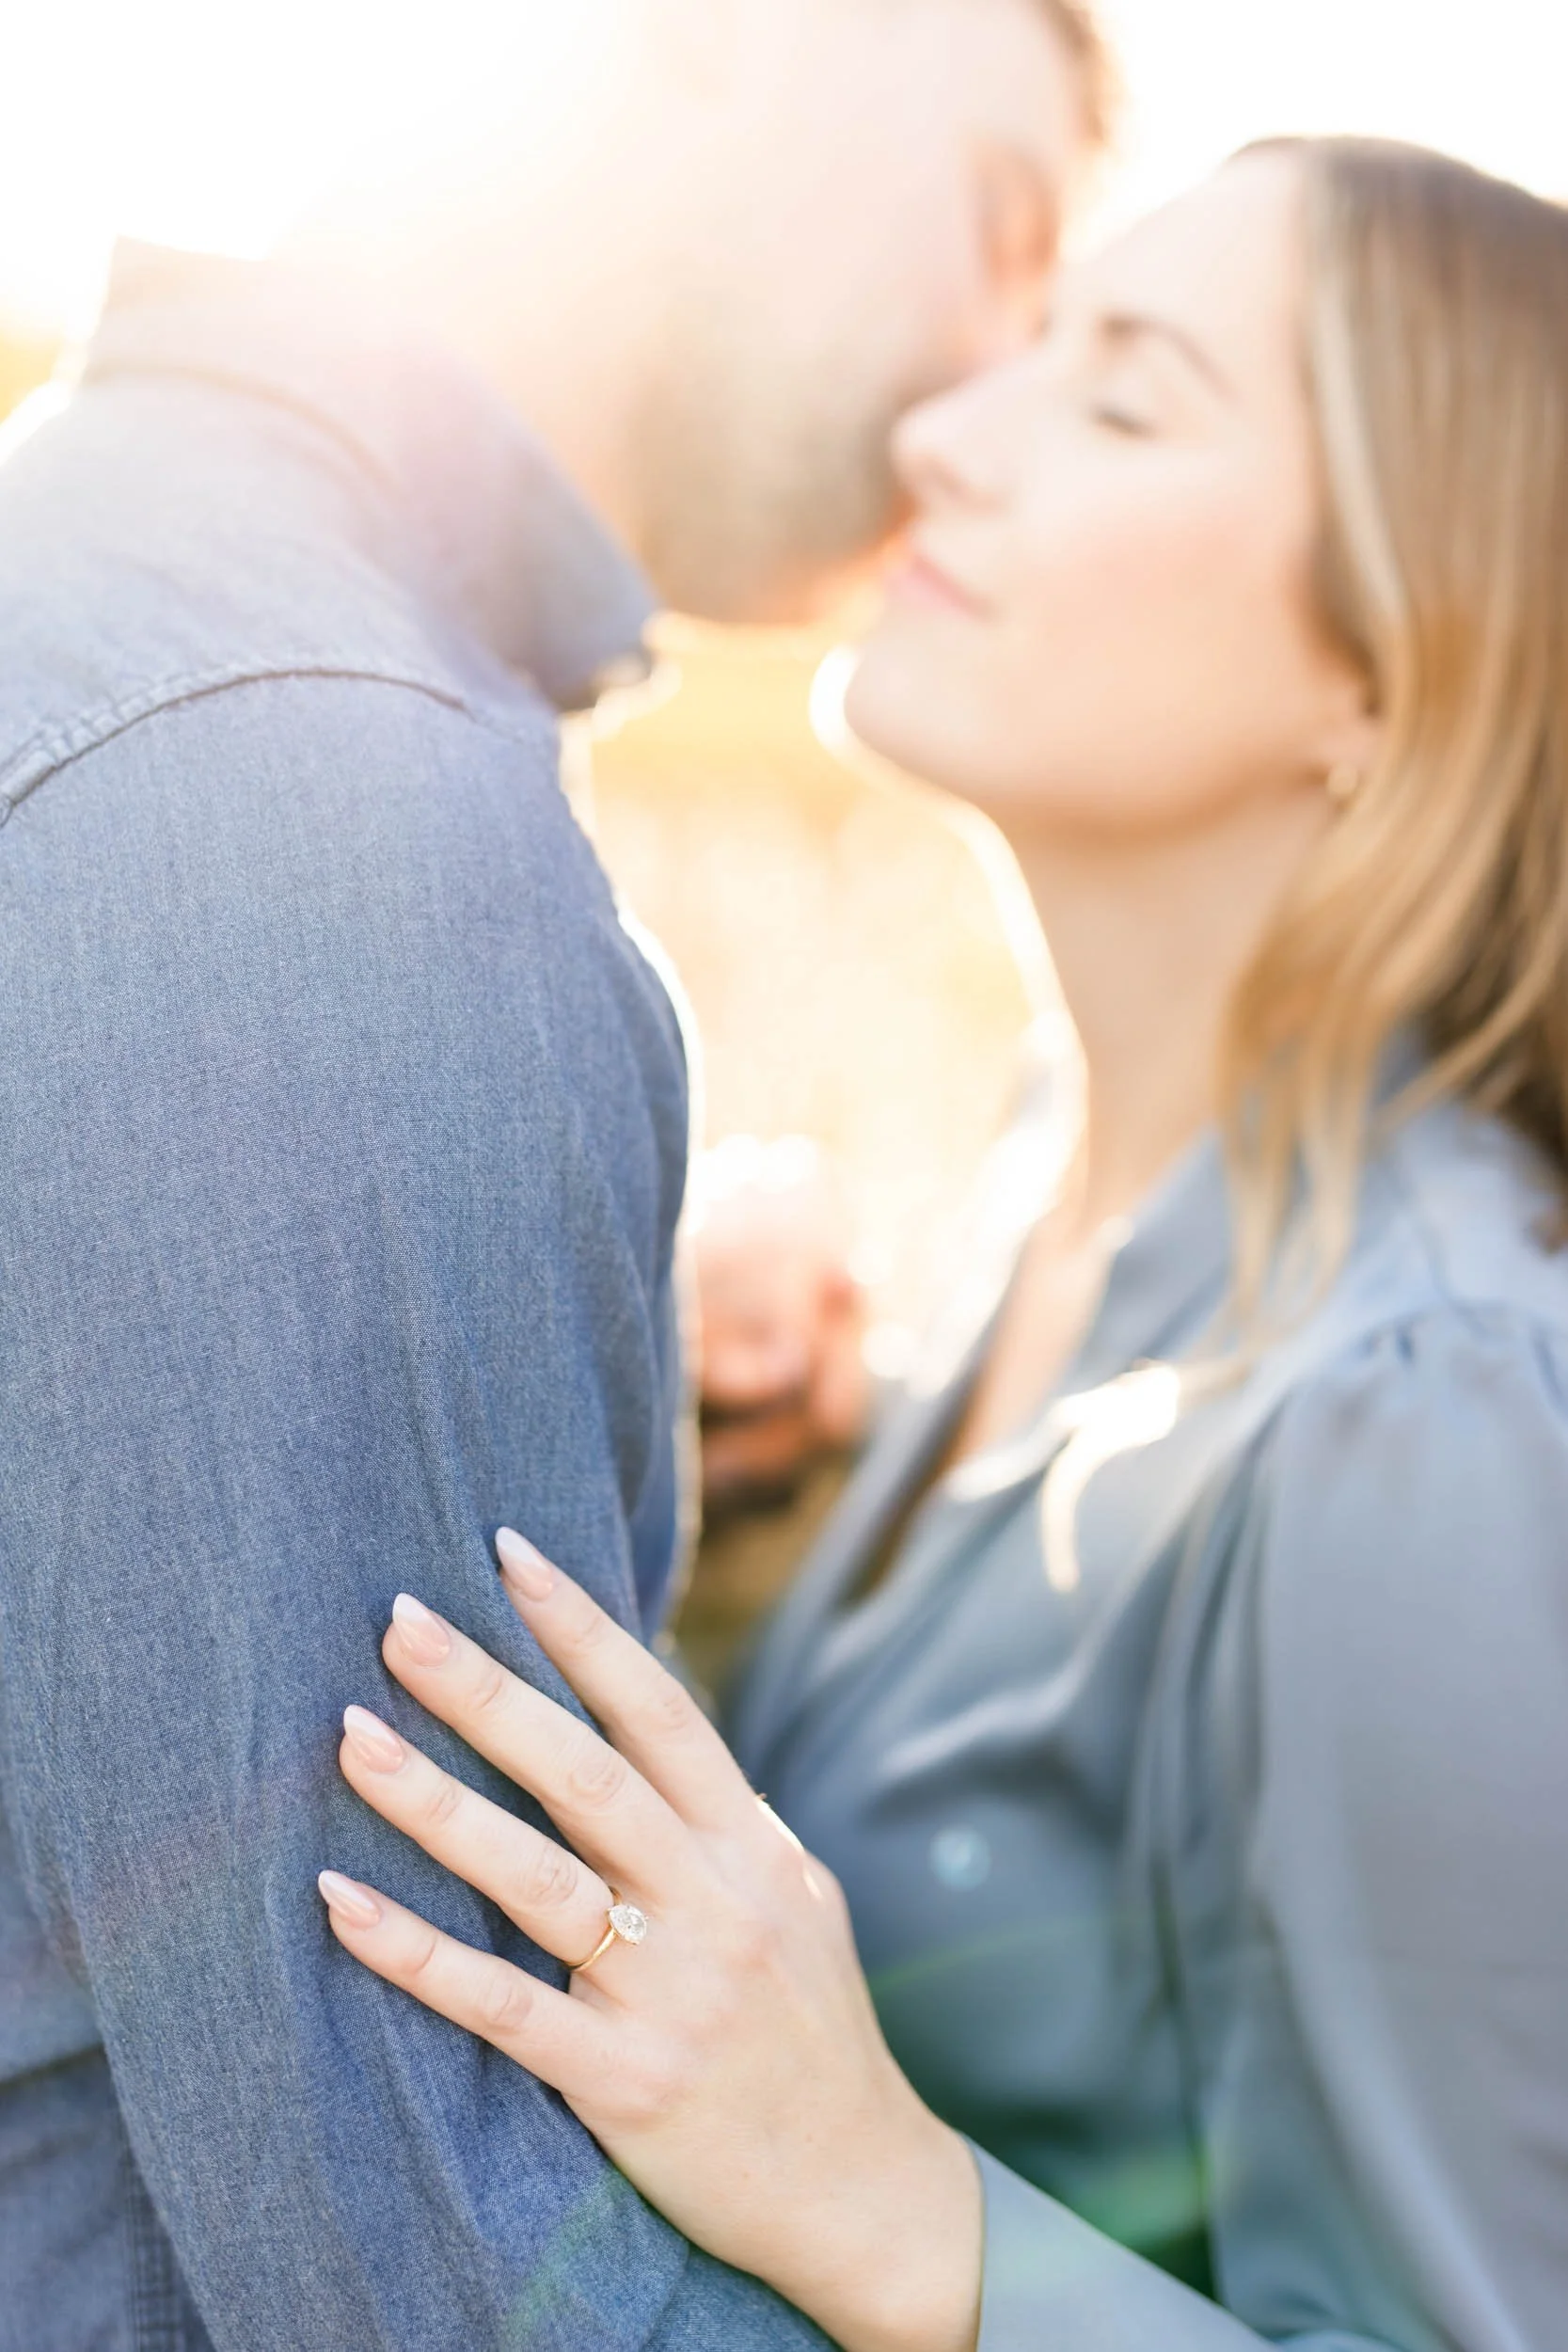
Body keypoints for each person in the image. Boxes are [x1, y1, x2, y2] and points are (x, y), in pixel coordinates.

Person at [319, 139, 1568, 2350]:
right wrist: (767, 1500)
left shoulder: (1423, 1420)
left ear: (1393, 662)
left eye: (1123, 394)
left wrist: (903, 2211)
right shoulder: (1063, 1171)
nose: (940, 435)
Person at [0, 3, 1108, 2345]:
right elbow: (472, 2277)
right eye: (1004, 228)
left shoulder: (123, 582)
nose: (989, 376)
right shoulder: (329, 807)